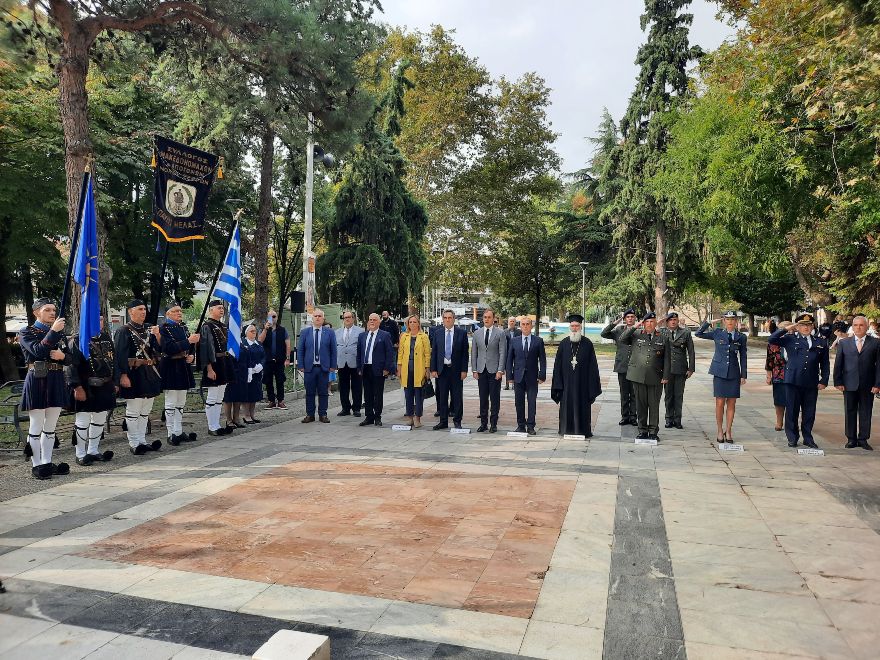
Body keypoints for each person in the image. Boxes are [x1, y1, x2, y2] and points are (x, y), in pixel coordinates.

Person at [18, 298, 71, 479]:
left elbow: (72, 359)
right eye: (47, 310)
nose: (52, 313)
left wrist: (63, 355)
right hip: (37, 379)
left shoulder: (59, 333)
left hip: (55, 379)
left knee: (50, 427)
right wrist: (54, 332)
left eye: (53, 310)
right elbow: (38, 351)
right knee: (36, 425)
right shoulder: (26, 331)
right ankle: (37, 465)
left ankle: (47, 462)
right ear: (36, 312)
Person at [769, 313, 829, 449]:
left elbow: (825, 363)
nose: (806, 327)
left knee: (809, 411)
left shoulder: (820, 342)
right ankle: (792, 437)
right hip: (793, 380)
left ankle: (808, 437)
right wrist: (786, 328)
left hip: (811, 381)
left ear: (812, 326)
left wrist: (824, 380)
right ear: (797, 326)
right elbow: (772, 339)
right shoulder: (790, 339)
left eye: (808, 325)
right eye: (802, 325)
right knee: (792, 410)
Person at [66, 314, 116, 466]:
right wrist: (77, 387)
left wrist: (115, 380)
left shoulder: (106, 337)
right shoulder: (77, 339)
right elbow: (71, 366)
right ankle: (80, 454)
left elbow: (113, 360)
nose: (99, 322)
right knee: (83, 420)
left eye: (101, 320)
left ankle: (93, 450)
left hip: (104, 385)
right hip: (86, 386)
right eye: (96, 319)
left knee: (99, 419)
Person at [115, 299, 164, 454]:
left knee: (145, 411)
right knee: (134, 411)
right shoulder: (124, 331)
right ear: (131, 312)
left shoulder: (149, 329)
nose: (144, 312)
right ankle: (134, 443)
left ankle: (142, 440)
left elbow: (159, 349)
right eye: (140, 309)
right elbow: (120, 356)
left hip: (149, 373)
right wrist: (123, 375)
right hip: (134, 374)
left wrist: (157, 335)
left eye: (144, 309)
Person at [696, 311, 748, 443]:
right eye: (727, 319)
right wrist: (709, 323)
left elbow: (743, 356)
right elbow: (698, 333)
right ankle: (720, 430)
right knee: (719, 403)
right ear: (724, 321)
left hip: (734, 373)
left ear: (736, 321)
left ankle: (728, 430)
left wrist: (743, 375)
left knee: (731, 403)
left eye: (732, 319)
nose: (730, 322)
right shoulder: (718, 333)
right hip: (719, 371)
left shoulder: (741, 337)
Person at [619, 312, 669, 441]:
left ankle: (653, 431)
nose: (649, 324)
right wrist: (635, 326)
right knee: (640, 405)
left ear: (656, 323)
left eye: (652, 321)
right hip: (638, 376)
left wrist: (666, 376)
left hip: (655, 377)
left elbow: (667, 359)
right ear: (643, 323)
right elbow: (622, 339)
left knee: (653, 405)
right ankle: (642, 430)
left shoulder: (663, 338)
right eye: (647, 322)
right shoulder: (636, 334)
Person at [833, 315, 880, 450]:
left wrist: (877, 384)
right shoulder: (844, 343)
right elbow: (838, 364)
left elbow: (879, 366)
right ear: (852, 327)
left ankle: (863, 439)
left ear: (866, 327)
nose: (858, 328)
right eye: (856, 325)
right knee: (850, 411)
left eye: (861, 325)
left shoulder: (875, 343)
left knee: (866, 412)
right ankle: (851, 439)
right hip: (849, 383)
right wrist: (838, 381)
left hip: (868, 385)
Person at [551, 314, 601, 437]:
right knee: (566, 407)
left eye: (577, 326)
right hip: (566, 385)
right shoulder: (563, 344)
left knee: (582, 407)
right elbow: (557, 366)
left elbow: (593, 366)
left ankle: (583, 431)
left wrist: (592, 387)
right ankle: (565, 430)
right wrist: (558, 384)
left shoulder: (588, 343)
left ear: (580, 327)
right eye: (572, 326)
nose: (574, 328)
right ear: (570, 327)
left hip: (582, 385)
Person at [158, 303, 200, 446]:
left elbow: (191, 347)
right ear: (168, 314)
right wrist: (188, 341)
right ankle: (170, 433)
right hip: (171, 366)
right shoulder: (164, 329)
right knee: (171, 401)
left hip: (183, 365)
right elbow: (168, 348)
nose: (179, 313)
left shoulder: (183, 327)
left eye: (180, 311)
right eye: (175, 311)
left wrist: (192, 355)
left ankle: (178, 430)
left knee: (181, 401)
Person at [200, 299, 236, 436]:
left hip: (224, 361)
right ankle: (212, 426)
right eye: (219, 308)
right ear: (211, 310)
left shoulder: (222, 325)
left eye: (222, 308)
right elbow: (205, 349)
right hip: (214, 363)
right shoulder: (207, 326)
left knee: (220, 396)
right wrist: (209, 368)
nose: (222, 310)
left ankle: (217, 424)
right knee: (213, 395)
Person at [506, 316, 546, 435]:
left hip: (533, 377)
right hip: (518, 376)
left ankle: (531, 426)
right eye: (523, 324)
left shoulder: (538, 341)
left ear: (531, 326)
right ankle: (520, 425)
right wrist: (509, 376)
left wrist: (542, 374)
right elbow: (509, 360)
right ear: (520, 326)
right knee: (519, 402)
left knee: (531, 401)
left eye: (527, 324)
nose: (525, 326)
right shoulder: (514, 341)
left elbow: (542, 360)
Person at [430, 309, 469, 430]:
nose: (447, 320)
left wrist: (464, 370)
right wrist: (433, 369)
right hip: (442, 370)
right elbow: (434, 352)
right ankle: (443, 421)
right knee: (442, 397)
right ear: (443, 320)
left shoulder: (461, 333)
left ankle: (457, 421)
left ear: (454, 319)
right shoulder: (438, 333)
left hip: (456, 370)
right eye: (445, 318)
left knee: (457, 397)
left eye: (450, 318)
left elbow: (464, 353)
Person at [297, 308, 337, 423]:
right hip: (309, 368)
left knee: (323, 392)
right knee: (309, 392)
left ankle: (323, 414)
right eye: (316, 316)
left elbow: (333, 350)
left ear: (323, 318)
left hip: (324, 368)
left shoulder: (329, 332)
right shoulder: (305, 332)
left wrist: (333, 366)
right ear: (312, 318)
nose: (318, 318)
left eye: (320, 316)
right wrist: (301, 365)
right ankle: (310, 414)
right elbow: (301, 350)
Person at [471, 309, 508, 433]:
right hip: (481, 370)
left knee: (494, 398)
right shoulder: (477, 333)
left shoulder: (500, 333)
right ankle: (483, 424)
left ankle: (493, 424)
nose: (486, 319)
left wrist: (500, 370)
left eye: (489, 317)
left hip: (494, 371)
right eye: (485, 317)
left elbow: (503, 353)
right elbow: (474, 353)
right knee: (483, 398)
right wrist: (474, 370)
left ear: (493, 319)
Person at [601, 308, 638, 426]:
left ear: (635, 318)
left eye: (632, 317)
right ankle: (624, 416)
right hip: (622, 366)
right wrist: (615, 322)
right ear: (625, 319)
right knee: (624, 393)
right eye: (628, 317)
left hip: (635, 366)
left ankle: (633, 417)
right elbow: (604, 333)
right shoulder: (618, 330)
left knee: (634, 394)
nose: (630, 319)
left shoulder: (639, 330)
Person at [357, 313, 395, 427]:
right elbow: (359, 353)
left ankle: (377, 416)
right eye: (370, 320)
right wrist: (359, 368)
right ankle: (369, 416)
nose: (372, 322)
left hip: (379, 369)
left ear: (379, 322)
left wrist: (387, 368)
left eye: (374, 320)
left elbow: (390, 353)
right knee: (367, 394)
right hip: (366, 368)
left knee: (378, 395)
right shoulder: (362, 336)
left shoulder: (385, 335)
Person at [660, 312, 695, 429]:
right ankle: (669, 419)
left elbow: (691, 351)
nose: (673, 322)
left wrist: (691, 368)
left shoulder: (685, 332)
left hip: (681, 368)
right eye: (670, 320)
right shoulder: (662, 332)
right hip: (667, 369)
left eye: (675, 319)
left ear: (678, 320)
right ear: (667, 321)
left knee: (678, 395)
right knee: (668, 395)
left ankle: (678, 419)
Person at [225, 324, 265, 426]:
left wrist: (260, 365)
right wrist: (251, 368)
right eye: (251, 331)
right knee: (235, 397)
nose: (254, 333)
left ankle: (242, 417)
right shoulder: (241, 342)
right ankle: (235, 418)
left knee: (251, 394)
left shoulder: (257, 344)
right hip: (238, 372)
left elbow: (263, 356)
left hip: (250, 373)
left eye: (255, 331)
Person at [397, 314, 431, 427]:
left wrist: (427, 369)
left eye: (414, 322)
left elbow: (427, 354)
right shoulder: (404, 336)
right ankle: (410, 417)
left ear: (418, 323)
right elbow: (400, 354)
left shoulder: (424, 336)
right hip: (407, 369)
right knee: (408, 395)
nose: (412, 324)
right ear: (408, 324)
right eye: (410, 322)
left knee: (419, 395)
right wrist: (399, 368)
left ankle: (418, 418)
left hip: (419, 369)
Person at [258, 310, 290, 410]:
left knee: (280, 380)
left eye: (274, 316)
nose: (272, 318)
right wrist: (265, 329)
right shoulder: (264, 329)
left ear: (277, 317)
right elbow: (259, 341)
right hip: (267, 360)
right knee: (268, 381)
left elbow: (288, 344)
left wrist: (287, 358)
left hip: (279, 360)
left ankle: (280, 401)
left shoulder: (283, 330)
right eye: (270, 317)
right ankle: (271, 401)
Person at [335, 310, 363, 417]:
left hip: (355, 362)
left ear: (353, 318)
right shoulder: (337, 332)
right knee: (343, 386)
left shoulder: (360, 331)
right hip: (342, 363)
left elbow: (362, 348)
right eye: (345, 317)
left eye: (349, 317)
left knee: (357, 386)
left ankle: (356, 408)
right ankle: (345, 408)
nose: (347, 319)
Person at [765, 320, 791, 432]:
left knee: (792, 400)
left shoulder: (795, 341)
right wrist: (768, 375)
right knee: (779, 400)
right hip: (778, 375)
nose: (786, 332)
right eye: (783, 330)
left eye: (789, 329)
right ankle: (779, 422)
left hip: (793, 375)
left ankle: (791, 422)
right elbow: (769, 360)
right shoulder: (773, 343)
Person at [503, 317, 522, 390]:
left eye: (513, 321)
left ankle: (514, 384)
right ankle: (507, 384)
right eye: (510, 321)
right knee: (508, 368)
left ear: (515, 323)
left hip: (516, 352)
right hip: (507, 352)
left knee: (515, 368)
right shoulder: (504, 332)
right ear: (508, 322)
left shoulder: (519, 332)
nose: (512, 322)